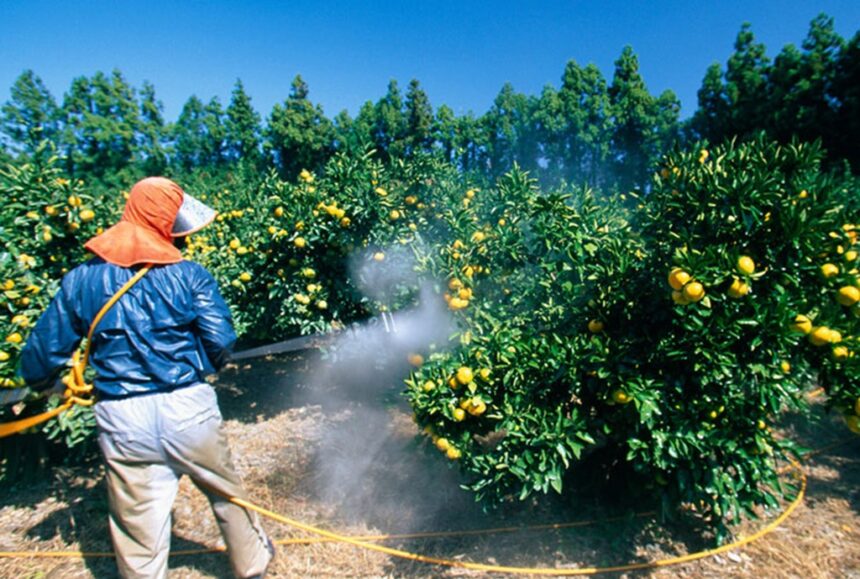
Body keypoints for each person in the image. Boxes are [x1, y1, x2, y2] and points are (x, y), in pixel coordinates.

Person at [20, 177, 274, 579]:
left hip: (123, 417)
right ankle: (253, 565)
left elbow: (40, 356)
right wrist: (196, 363)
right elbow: (221, 344)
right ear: (162, 221)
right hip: (187, 408)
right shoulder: (190, 275)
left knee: (138, 523)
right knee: (227, 494)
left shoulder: (82, 279)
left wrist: (43, 384)